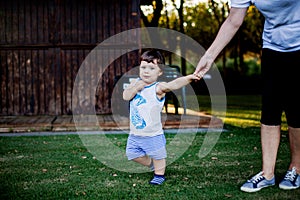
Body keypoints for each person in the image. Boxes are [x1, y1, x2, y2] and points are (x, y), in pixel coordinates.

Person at [194, 0, 300, 193]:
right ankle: (267, 174)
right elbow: (234, 19)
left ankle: (296, 168)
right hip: (273, 45)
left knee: (296, 109)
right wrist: (209, 56)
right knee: (270, 109)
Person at [123, 49, 200, 185]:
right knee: (132, 154)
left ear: (160, 72)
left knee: (158, 155)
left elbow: (173, 85)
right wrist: (135, 88)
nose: (146, 71)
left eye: (151, 68)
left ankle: (159, 175)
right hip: (135, 133)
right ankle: (153, 165)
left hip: (153, 134)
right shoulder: (135, 84)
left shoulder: (158, 88)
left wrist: (188, 78)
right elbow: (126, 96)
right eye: (143, 67)